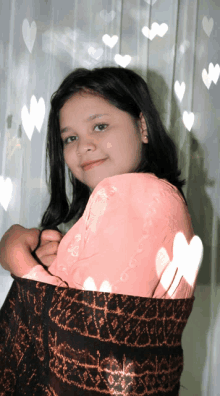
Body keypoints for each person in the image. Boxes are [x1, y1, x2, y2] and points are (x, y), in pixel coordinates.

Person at [0, 67, 204, 395]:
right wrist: (55, 263)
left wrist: (18, 259)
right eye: (70, 138)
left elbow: (89, 344)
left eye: (100, 125)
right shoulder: (151, 199)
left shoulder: (134, 194)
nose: (84, 146)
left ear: (143, 126)